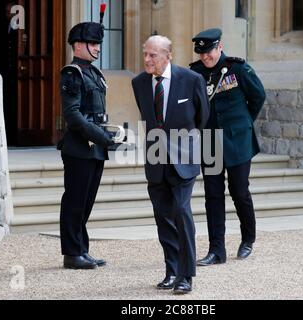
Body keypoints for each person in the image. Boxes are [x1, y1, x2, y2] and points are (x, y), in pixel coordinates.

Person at [131, 36, 209, 294]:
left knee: (181, 210)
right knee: (163, 217)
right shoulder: (139, 83)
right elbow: (148, 118)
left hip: (184, 158)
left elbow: (202, 118)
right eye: (145, 54)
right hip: (155, 159)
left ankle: (186, 275)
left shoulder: (191, 80)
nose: (147, 60)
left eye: (153, 55)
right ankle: (171, 270)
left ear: (168, 55)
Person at [190, 28, 266, 266]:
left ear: (219, 46)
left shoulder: (237, 69)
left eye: (209, 51)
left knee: (239, 191)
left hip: (237, 141)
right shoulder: (195, 73)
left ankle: (248, 239)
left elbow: (258, 97)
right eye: (201, 53)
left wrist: (243, 124)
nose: (205, 57)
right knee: (213, 196)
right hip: (210, 142)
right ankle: (216, 250)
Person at [58, 22, 115, 269]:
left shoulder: (94, 73)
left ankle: (82, 249)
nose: (98, 49)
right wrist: (99, 136)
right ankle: (72, 253)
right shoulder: (73, 73)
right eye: (93, 44)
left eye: (98, 44)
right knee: (75, 200)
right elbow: (73, 114)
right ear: (78, 45)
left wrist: (108, 135)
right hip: (79, 147)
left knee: (87, 201)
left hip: (95, 147)